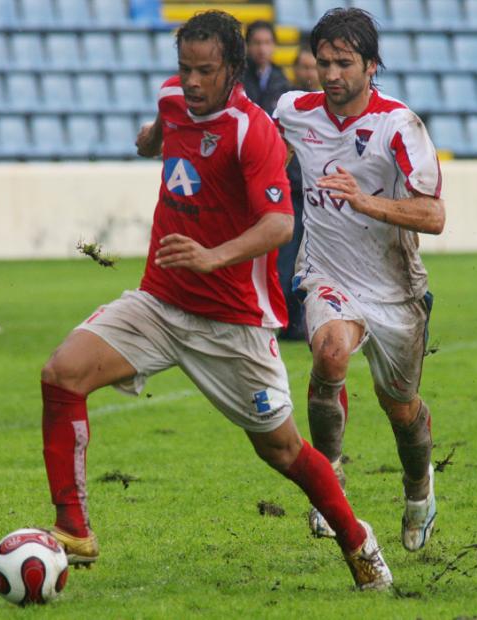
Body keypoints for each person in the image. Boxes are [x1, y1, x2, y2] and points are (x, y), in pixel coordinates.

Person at [39, 10, 392, 591]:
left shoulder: (252, 132)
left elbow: (280, 224)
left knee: (283, 451)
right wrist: (152, 140)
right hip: (159, 302)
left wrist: (211, 256)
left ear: (232, 69)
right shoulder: (173, 98)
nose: (192, 81)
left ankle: (357, 540)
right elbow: (164, 126)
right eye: (185, 68)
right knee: (61, 374)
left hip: (232, 323)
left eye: (205, 71)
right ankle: (74, 530)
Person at [272, 8, 446, 552]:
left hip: (394, 288)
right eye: (323, 62)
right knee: (329, 354)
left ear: (372, 65)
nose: (330, 74)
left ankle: (418, 490)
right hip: (327, 273)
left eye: (343, 63)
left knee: (402, 410)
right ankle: (329, 483)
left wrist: (364, 200)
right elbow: (262, 157)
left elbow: (434, 215)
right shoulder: (293, 112)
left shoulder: (399, 125)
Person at [276, 40, 321, 341]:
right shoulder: (289, 109)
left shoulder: (330, 109)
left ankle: (307, 321)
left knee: (315, 262)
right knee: (287, 261)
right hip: (292, 195)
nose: (308, 73)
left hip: (319, 199)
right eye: (303, 67)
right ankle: (288, 320)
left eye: (312, 67)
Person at [239, 20, 291, 115]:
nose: (262, 49)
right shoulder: (237, 78)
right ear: (247, 45)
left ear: (274, 45)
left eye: (267, 42)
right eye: (257, 43)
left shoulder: (282, 81)